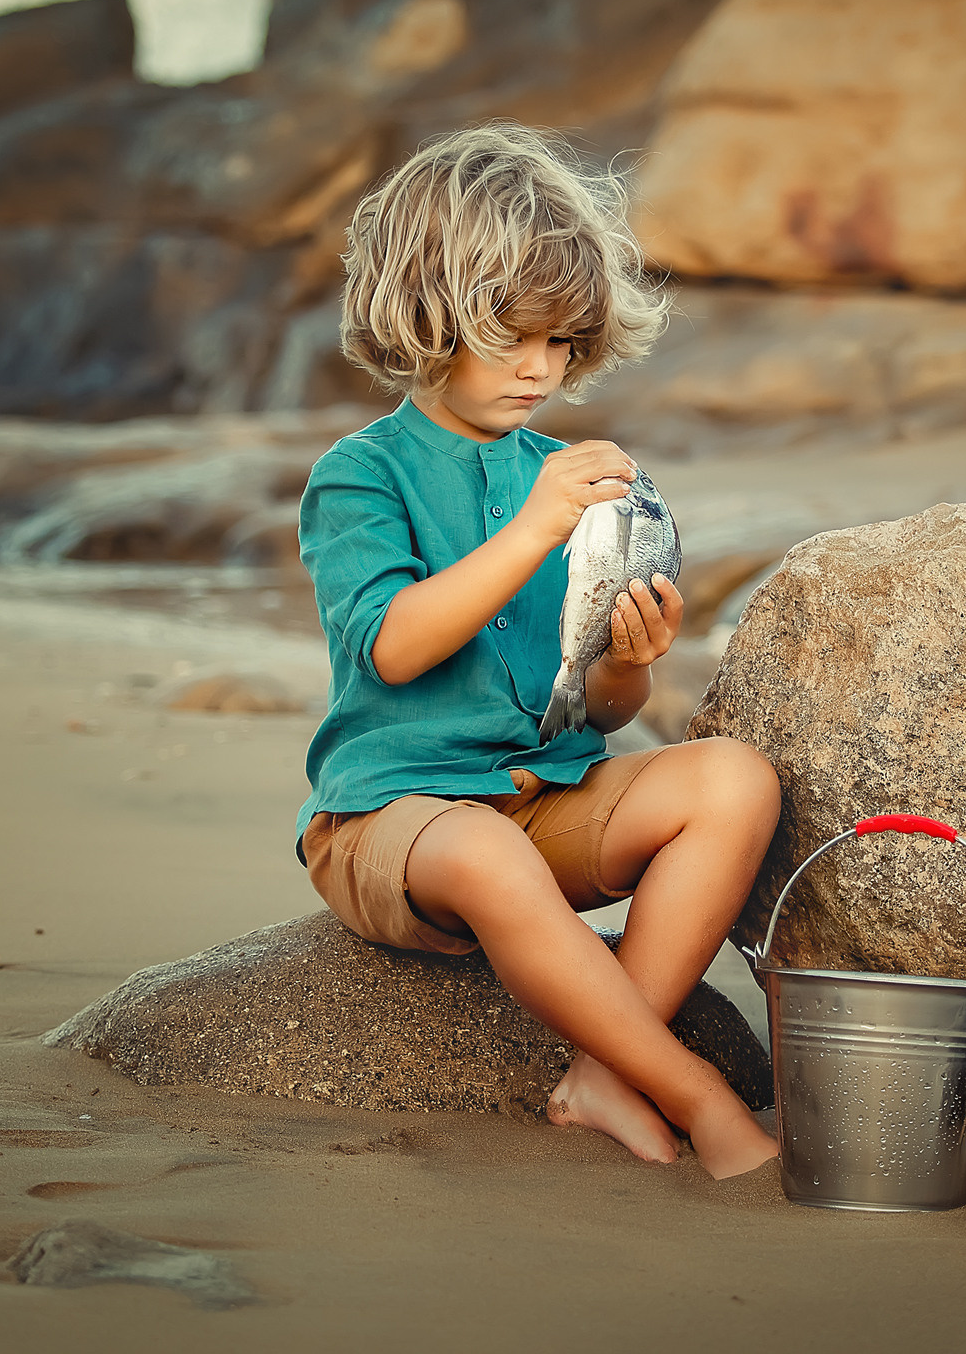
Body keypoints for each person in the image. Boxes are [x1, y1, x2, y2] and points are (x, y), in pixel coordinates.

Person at [295, 123, 781, 1179]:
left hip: (537, 793)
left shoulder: (562, 472)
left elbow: (592, 713)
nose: (540, 368)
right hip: (396, 819)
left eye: (563, 343)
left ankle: (603, 1070)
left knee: (735, 781)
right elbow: (391, 649)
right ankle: (688, 1085)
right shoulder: (360, 474)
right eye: (511, 333)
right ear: (428, 312)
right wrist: (529, 530)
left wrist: (625, 663)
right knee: (485, 852)